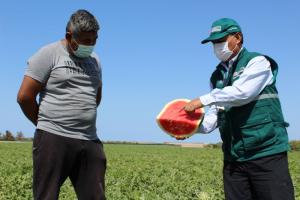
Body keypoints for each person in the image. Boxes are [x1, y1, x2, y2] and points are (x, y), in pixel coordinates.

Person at [183, 18, 295, 200]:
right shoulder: (216, 76)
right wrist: (192, 127)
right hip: (234, 157)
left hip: (266, 153)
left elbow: (243, 93)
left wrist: (203, 100)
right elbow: (215, 115)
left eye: (221, 40)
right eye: (213, 42)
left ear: (238, 37)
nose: (217, 46)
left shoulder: (257, 62)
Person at [17, 9, 106, 200]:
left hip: (89, 139)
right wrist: (46, 125)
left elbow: (94, 97)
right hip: (53, 138)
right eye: (85, 41)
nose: (91, 45)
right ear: (69, 35)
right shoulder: (48, 54)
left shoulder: (95, 61)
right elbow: (25, 97)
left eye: (95, 40)